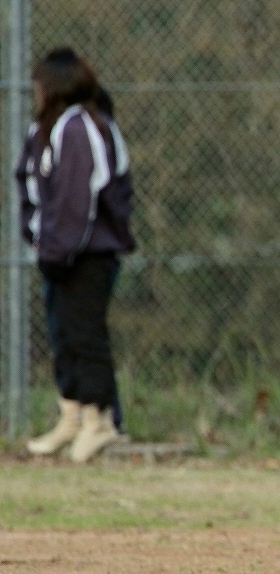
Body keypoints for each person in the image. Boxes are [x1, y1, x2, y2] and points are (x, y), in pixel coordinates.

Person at [15, 47, 134, 463]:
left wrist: (61, 248)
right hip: (57, 253)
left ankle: (99, 421)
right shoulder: (46, 130)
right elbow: (30, 186)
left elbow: (77, 198)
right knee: (63, 334)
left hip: (88, 254)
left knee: (86, 335)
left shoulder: (81, 128)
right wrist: (37, 239)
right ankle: (72, 414)